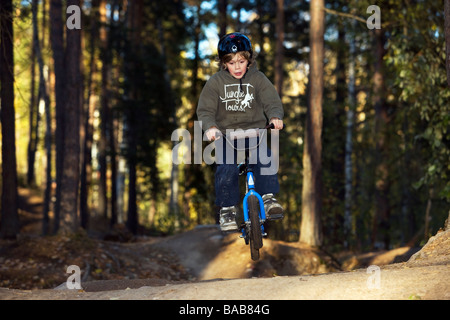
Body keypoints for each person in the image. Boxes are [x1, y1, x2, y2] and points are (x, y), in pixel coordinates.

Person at [196, 32, 284, 232]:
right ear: (223, 63)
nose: (237, 67)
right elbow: (205, 110)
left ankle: (269, 199)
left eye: (241, 61)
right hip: (227, 135)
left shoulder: (258, 79)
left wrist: (275, 117)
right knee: (226, 166)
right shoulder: (215, 83)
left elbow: (271, 101)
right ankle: (227, 209)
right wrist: (210, 127)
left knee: (265, 157)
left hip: (255, 132)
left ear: (249, 60)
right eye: (231, 62)